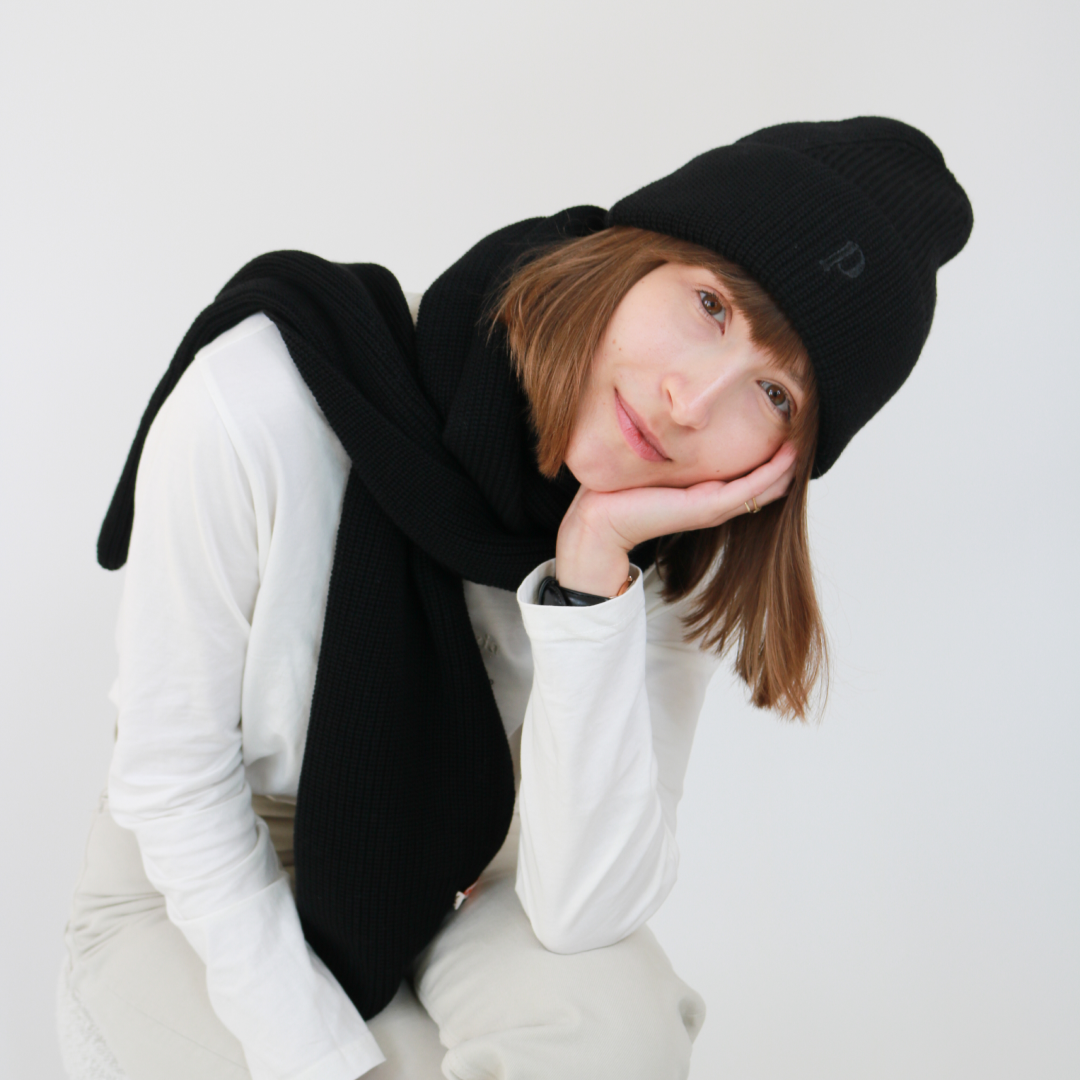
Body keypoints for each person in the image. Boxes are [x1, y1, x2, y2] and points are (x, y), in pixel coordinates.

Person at [58, 116, 972, 1080]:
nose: (692, 401)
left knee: (622, 1032)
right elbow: (172, 786)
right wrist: (330, 1060)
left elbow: (584, 910)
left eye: (775, 394)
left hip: (461, 888)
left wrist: (589, 583)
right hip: (189, 893)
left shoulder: (675, 552)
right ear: (631, 255)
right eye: (710, 305)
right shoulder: (267, 398)